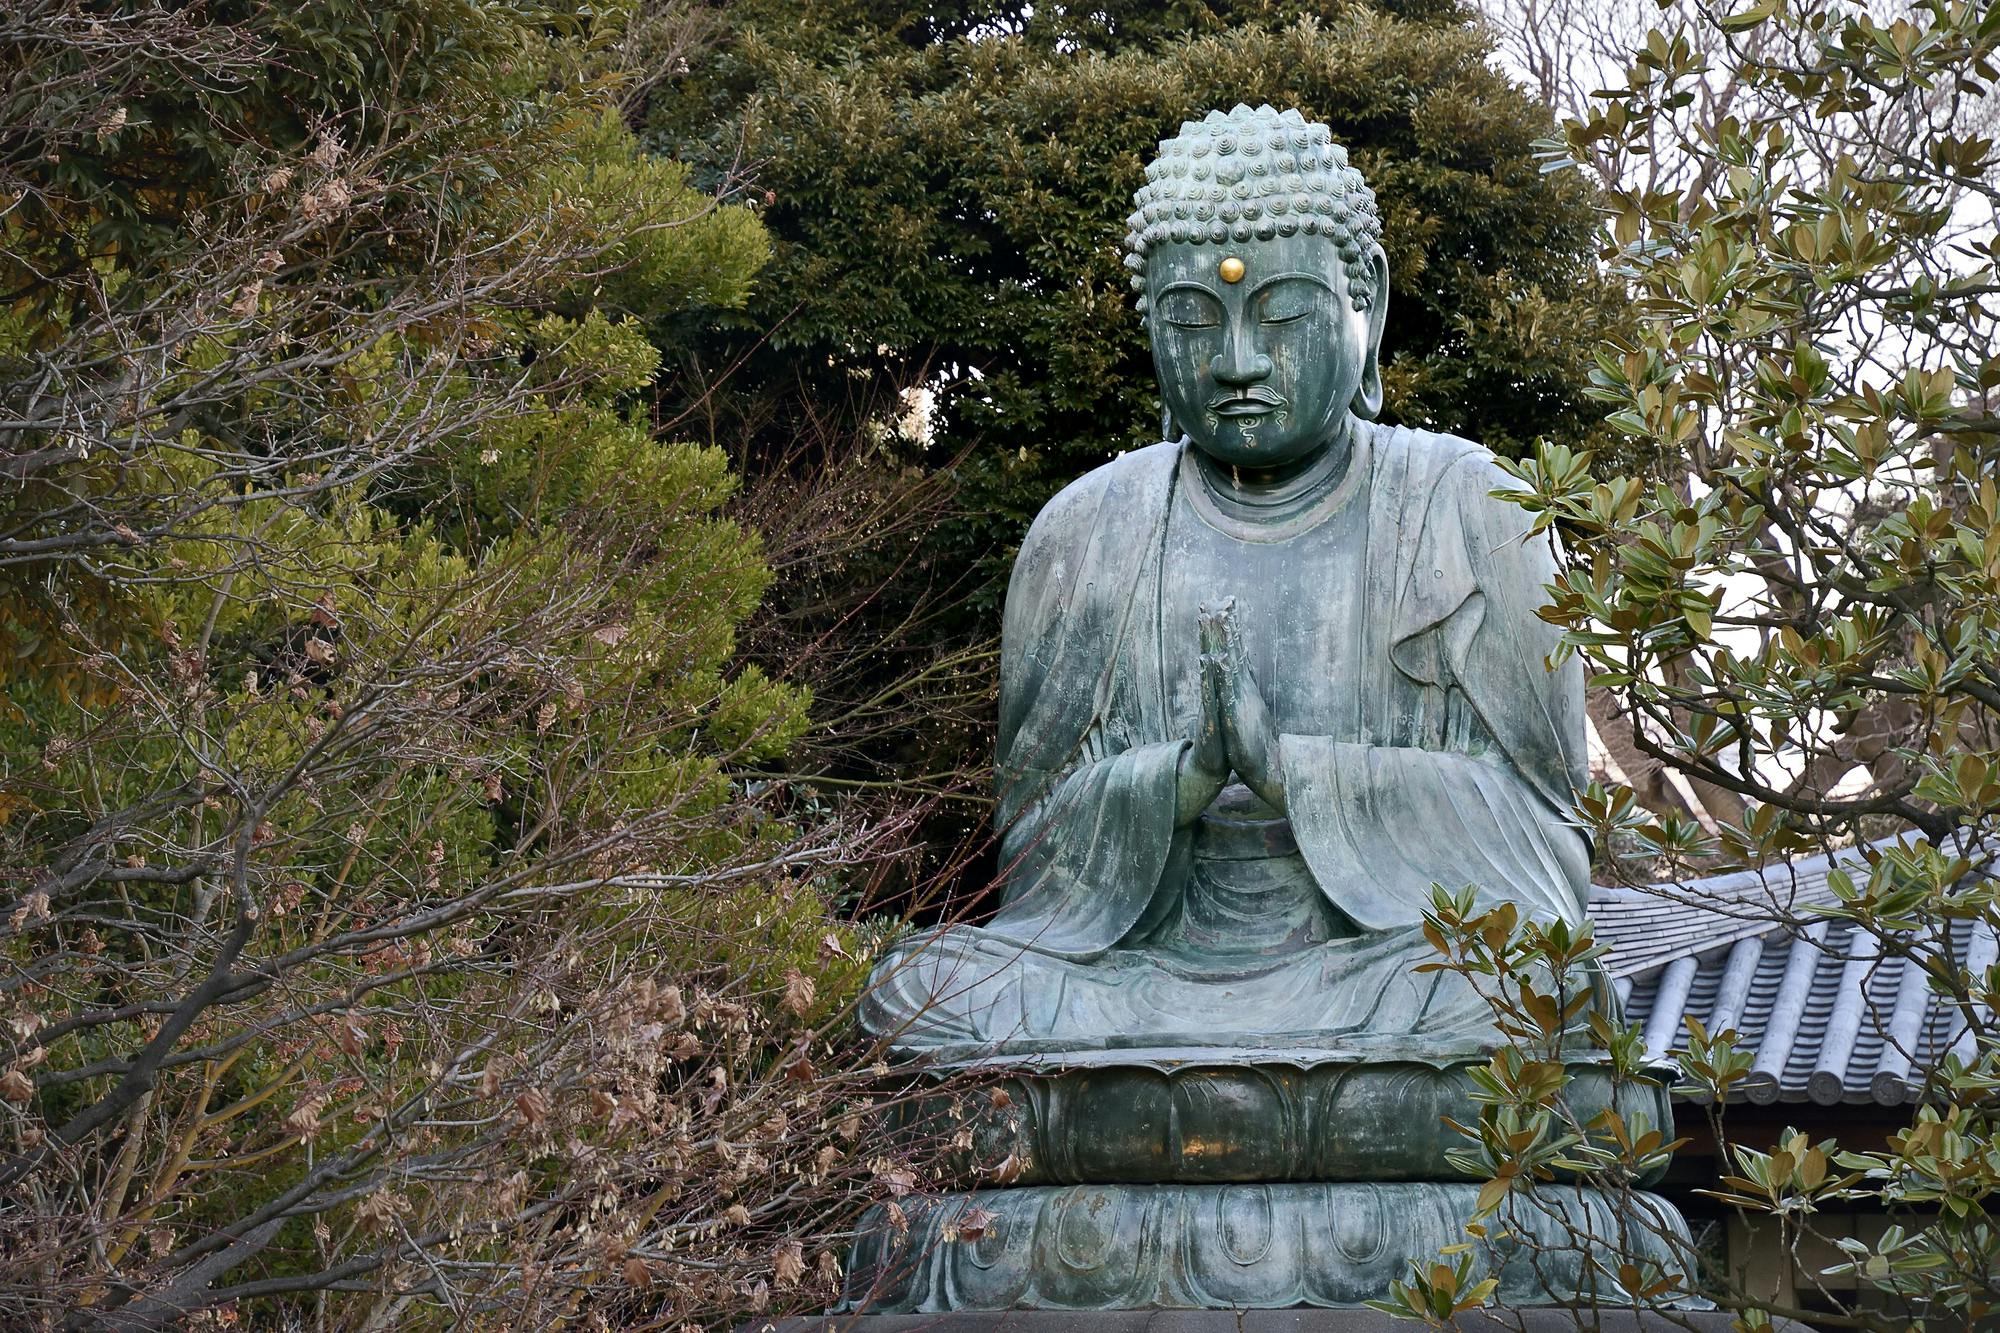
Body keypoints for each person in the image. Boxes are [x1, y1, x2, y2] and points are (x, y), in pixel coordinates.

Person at [861, 105, 1592, 1060]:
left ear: (1362, 298)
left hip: (1386, 976)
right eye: (1192, 322)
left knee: (1532, 989)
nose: (1236, 362)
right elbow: (1033, 862)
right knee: (921, 995)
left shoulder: (1469, 508)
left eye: (1282, 313)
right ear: (1152, 330)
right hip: (1133, 984)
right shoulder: (1084, 534)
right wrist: (1186, 778)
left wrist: (1292, 774)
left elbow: (1552, 860)